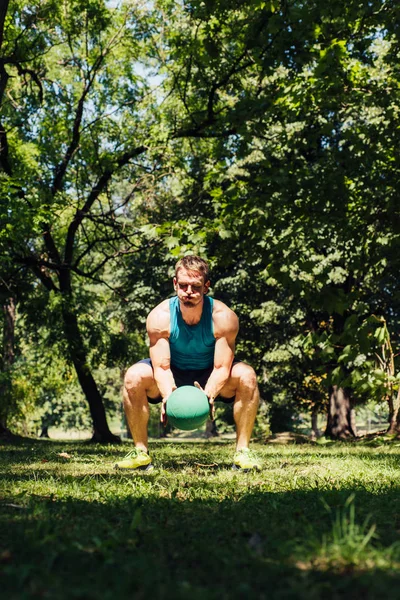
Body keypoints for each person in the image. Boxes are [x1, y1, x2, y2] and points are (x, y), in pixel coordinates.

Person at [115, 255, 261, 471]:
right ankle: (140, 453)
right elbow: (162, 368)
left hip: (210, 372)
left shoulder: (223, 317)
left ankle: (243, 453)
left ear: (206, 286)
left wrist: (207, 395)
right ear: (175, 284)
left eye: (195, 286)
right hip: (172, 372)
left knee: (247, 375)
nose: (188, 292)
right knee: (133, 376)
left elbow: (222, 367)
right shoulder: (160, 316)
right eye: (183, 285)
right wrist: (168, 396)